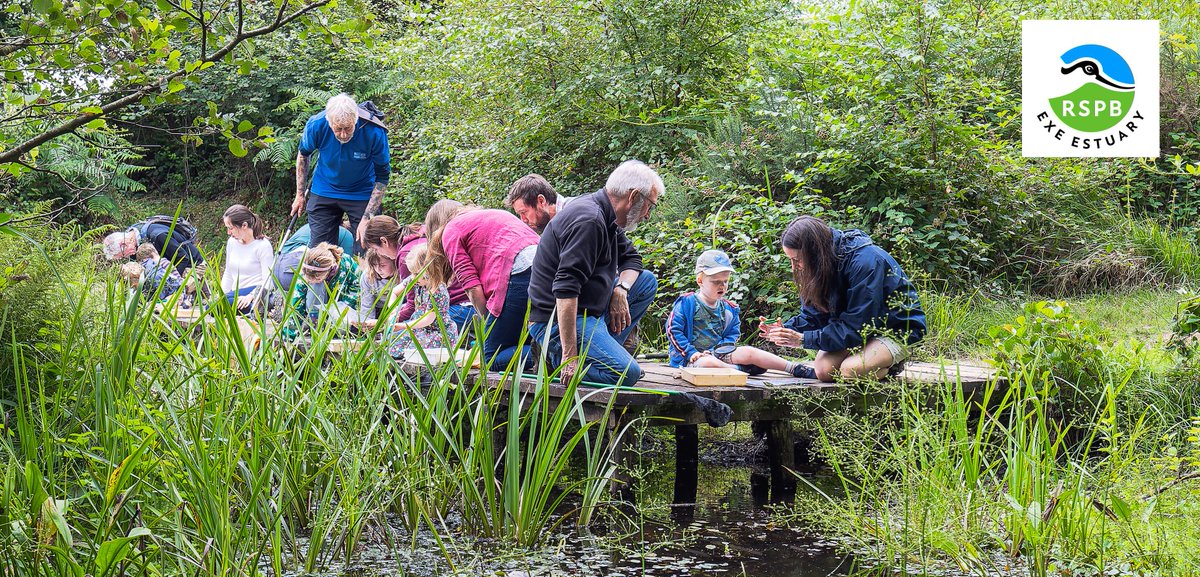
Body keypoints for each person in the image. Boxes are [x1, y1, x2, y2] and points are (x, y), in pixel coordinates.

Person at [528, 160, 661, 386]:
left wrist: (622, 288)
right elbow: (565, 289)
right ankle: (555, 360)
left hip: (591, 314)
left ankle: (602, 351)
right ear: (633, 196)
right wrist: (569, 356)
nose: (647, 215)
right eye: (650, 205)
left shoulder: (607, 217)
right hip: (557, 322)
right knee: (626, 374)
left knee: (646, 282)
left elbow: (632, 259)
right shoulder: (589, 220)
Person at [759, 216, 926, 381]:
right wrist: (785, 330)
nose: (794, 267)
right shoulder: (821, 264)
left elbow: (859, 326)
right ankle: (870, 356)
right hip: (860, 331)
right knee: (824, 371)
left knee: (850, 370)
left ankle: (892, 365)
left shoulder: (865, 262)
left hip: (895, 329)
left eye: (796, 260)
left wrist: (803, 340)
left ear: (815, 253)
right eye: (790, 260)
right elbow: (814, 316)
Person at [424, 199, 540, 369]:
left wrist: (489, 325)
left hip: (517, 274)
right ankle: (549, 352)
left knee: (492, 357)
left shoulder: (451, 229)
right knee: (526, 338)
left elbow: (471, 286)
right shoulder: (496, 213)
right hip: (546, 271)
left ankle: (551, 356)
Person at [667, 249, 814, 378]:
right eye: (715, 281)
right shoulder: (687, 303)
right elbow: (674, 330)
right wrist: (691, 352)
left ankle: (794, 368)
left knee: (749, 352)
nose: (722, 286)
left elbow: (731, 335)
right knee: (708, 363)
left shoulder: (729, 309)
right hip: (690, 359)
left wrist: (716, 351)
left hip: (718, 353)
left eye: (725, 281)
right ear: (700, 280)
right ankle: (741, 370)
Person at [290, 93, 390, 252]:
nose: (343, 134)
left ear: (356, 119)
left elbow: (383, 176)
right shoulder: (317, 125)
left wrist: (367, 218)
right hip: (325, 188)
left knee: (368, 247)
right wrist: (300, 194)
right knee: (321, 252)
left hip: (361, 192)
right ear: (329, 122)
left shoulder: (374, 131)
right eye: (338, 129)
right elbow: (303, 155)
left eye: (348, 128)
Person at [362, 215, 474, 331]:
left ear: (384, 241)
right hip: (466, 301)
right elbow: (399, 293)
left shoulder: (407, 255)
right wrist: (393, 311)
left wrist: (386, 324)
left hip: (458, 307)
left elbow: (413, 307)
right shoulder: (419, 234)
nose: (379, 254)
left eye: (376, 249)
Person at [385, 244, 459, 358]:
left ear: (428, 272)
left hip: (436, 331)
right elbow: (394, 292)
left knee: (413, 352)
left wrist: (402, 326)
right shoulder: (415, 280)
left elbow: (427, 320)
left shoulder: (438, 290)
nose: (413, 277)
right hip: (417, 329)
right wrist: (394, 310)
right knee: (392, 346)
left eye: (416, 273)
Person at [282, 242, 360, 339]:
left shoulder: (347, 263)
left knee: (341, 328)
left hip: (341, 309)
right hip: (316, 310)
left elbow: (358, 286)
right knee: (315, 286)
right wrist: (288, 336)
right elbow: (296, 304)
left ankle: (331, 327)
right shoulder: (306, 273)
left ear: (330, 269)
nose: (311, 280)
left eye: (317, 278)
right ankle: (315, 324)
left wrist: (345, 305)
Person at [102, 216, 204, 275]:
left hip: (192, 265)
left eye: (123, 255)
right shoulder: (133, 242)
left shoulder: (158, 236)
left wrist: (171, 281)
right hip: (168, 266)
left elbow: (183, 257)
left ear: (123, 244)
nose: (126, 257)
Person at [220, 205, 275, 314]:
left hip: (255, 291)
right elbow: (228, 272)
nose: (228, 233)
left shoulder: (263, 245)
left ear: (244, 225)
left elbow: (268, 280)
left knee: (221, 305)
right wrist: (222, 294)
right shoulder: (231, 242)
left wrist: (251, 296)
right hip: (235, 293)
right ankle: (257, 310)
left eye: (231, 228)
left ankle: (258, 306)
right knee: (214, 306)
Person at [272, 223, 355, 293]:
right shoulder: (347, 235)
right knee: (318, 278)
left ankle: (270, 299)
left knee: (289, 301)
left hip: (276, 265)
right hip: (298, 264)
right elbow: (346, 267)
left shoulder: (313, 224)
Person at [504, 173, 574, 234]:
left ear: (541, 201)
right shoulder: (557, 226)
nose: (523, 220)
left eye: (524, 212)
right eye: (519, 214)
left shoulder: (574, 219)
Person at [355, 248, 397, 330]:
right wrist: (367, 324)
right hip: (378, 309)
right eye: (374, 265)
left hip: (398, 310)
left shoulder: (401, 274)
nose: (378, 269)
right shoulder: (367, 276)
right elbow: (367, 305)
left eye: (382, 265)